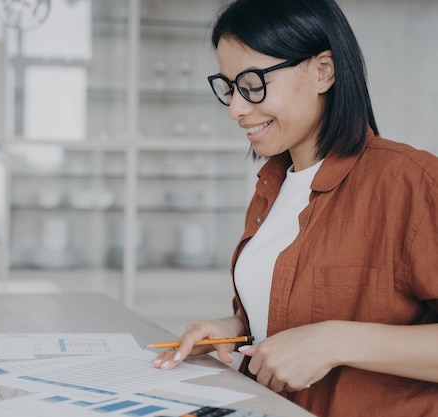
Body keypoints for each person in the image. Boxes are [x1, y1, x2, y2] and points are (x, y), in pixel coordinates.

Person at [151, 0, 438, 416]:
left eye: (252, 83)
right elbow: (289, 308)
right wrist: (232, 330)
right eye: (229, 87)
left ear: (323, 71)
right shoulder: (273, 185)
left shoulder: (412, 182)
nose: (235, 108)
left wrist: (335, 342)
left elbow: (324, 329)